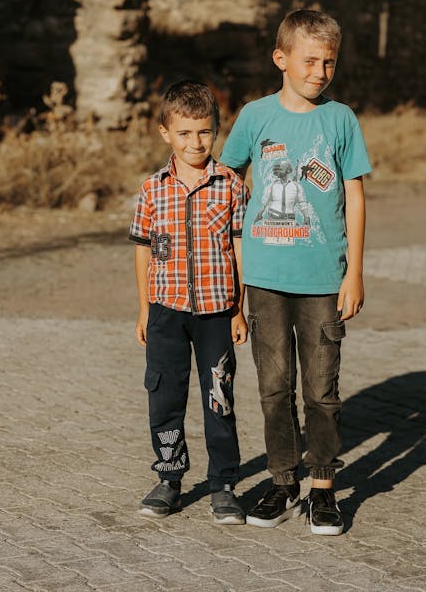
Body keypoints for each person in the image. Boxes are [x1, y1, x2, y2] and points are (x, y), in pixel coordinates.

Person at [221, 9, 372, 535]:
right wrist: (232, 262)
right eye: (310, 59)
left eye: (329, 61)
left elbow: (354, 195)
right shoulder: (255, 116)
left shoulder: (341, 120)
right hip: (263, 277)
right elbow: (230, 177)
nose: (320, 71)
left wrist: (354, 272)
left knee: (321, 390)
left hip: (322, 281)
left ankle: (323, 489)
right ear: (281, 59)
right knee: (273, 388)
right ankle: (282, 482)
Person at [129, 80, 249, 524]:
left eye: (204, 132)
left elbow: (238, 250)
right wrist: (144, 308)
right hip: (165, 311)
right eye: (184, 133)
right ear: (166, 133)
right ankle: (169, 478)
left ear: (215, 130)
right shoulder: (152, 189)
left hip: (217, 312)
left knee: (220, 398)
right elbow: (142, 250)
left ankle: (223, 483)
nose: (195, 142)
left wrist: (239, 307)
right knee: (164, 397)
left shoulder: (231, 186)